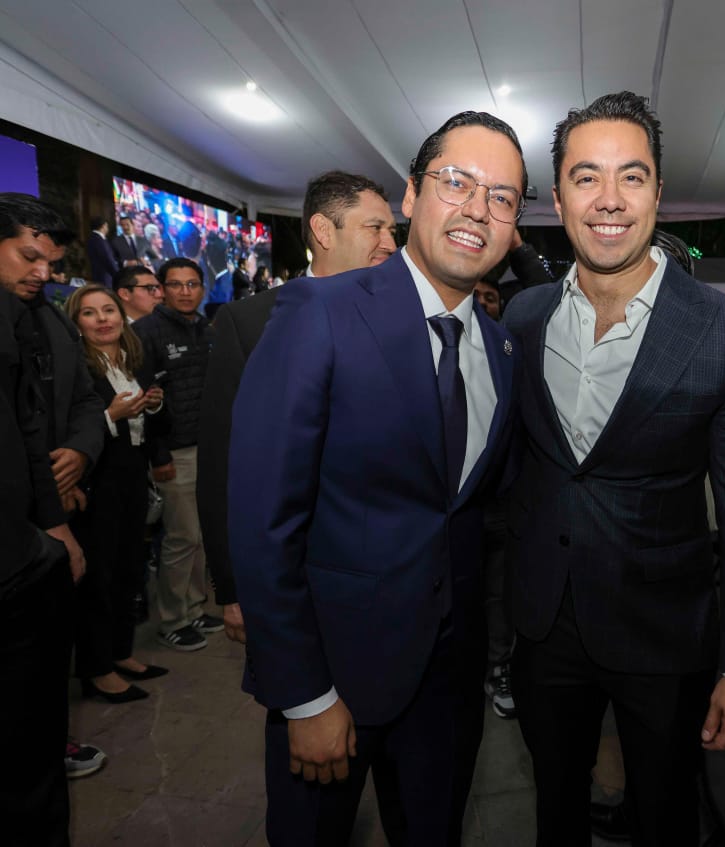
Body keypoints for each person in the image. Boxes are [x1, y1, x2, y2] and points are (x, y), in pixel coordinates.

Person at [228, 111, 525, 846]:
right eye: (457, 182)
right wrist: (303, 695)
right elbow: (264, 521)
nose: (477, 209)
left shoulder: (501, 348)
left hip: (448, 687)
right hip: (336, 677)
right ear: (411, 195)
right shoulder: (320, 312)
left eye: (503, 197)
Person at [502, 91, 725, 846]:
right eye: (586, 177)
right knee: (554, 808)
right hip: (545, 624)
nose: (609, 199)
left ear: (659, 191)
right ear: (557, 196)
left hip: (664, 633)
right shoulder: (524, 318)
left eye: (632, 175)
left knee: (666, 817)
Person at [196, 172, 406, 844]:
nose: (390, 240)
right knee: (309, 806)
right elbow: (225, 467)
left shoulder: (402, 317)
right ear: (322, 229)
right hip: (295, 593)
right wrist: (233, 589)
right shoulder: (250, 322)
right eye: (375, 226)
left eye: (392, 228)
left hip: (378, 597)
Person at [0, 193, 102, 846]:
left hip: (53, 520)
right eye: (28, 256)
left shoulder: (53, 323)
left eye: (51, 262)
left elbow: (85, 400)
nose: (42, 273)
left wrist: (81, 453)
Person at [66, 285, 169, 704]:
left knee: (129, 570)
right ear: (76, 322)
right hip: (98, 481)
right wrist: (111, 416)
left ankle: (121, 652)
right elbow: (72, 428)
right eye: (89, 313)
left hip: (131, 476)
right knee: (99, 578)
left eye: (108, 310)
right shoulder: (76, 367)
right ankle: (97, 669)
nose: (102, 319)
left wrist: (153, 404)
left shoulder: (131, 358)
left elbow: (146, 423)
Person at [134, 257, 221, 651]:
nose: (185, 291)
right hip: (173, 452)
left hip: (207, 448)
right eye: (175, 284)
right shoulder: (145, 333)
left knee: (201, 535)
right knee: (181, 536)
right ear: (162, 289)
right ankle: (173, 619)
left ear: (202, 288)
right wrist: (159, 456)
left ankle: (194, 607)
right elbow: (143, 400)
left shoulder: (206, 329)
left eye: (192, 284)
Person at [86, 216, 120, 286]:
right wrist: (118, 275)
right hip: (104, 278)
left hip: (99, 276)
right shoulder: (99, 240)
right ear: (104, 226)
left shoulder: (92, 238)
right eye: (107, 226)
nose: (107, 228)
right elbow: (108, 259)